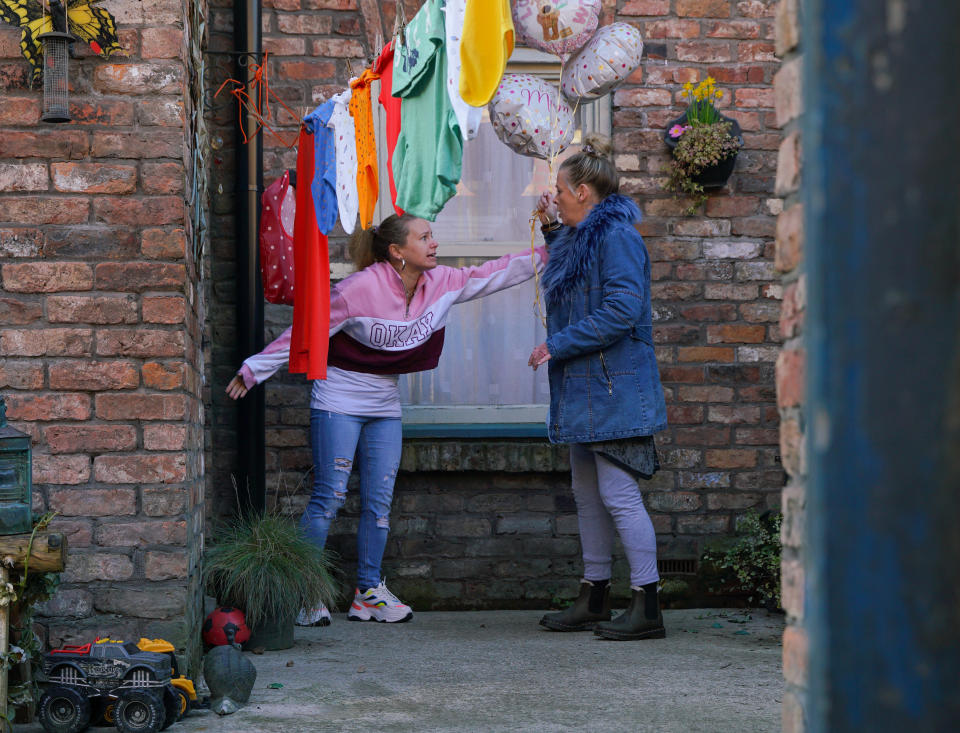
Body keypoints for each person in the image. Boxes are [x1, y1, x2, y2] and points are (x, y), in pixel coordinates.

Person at [227, 214, 546, 625]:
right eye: (425, 237)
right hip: (339, 397)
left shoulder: (443, 282)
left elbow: (495, 273)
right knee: (330, 497)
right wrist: (254, 369)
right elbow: (306, 332)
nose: (434, 243)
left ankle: (368, 592)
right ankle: (304, 593)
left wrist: (553, 252)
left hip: (384, 402)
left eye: (433, 236)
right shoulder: (359, 289)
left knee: (379, 505)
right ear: (397, 251)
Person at [530, 135, 668, 641]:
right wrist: (550, 229)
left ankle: (647, 605)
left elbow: (620, 311)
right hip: (588, 388)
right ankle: (594, 596)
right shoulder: (587, 235)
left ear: (584, 191)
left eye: (562, 191)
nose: (557, 197)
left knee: (618, 494)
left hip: (614, 388)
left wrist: (556, 345)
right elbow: (572, 281)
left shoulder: (618, 238)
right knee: (587, 495)